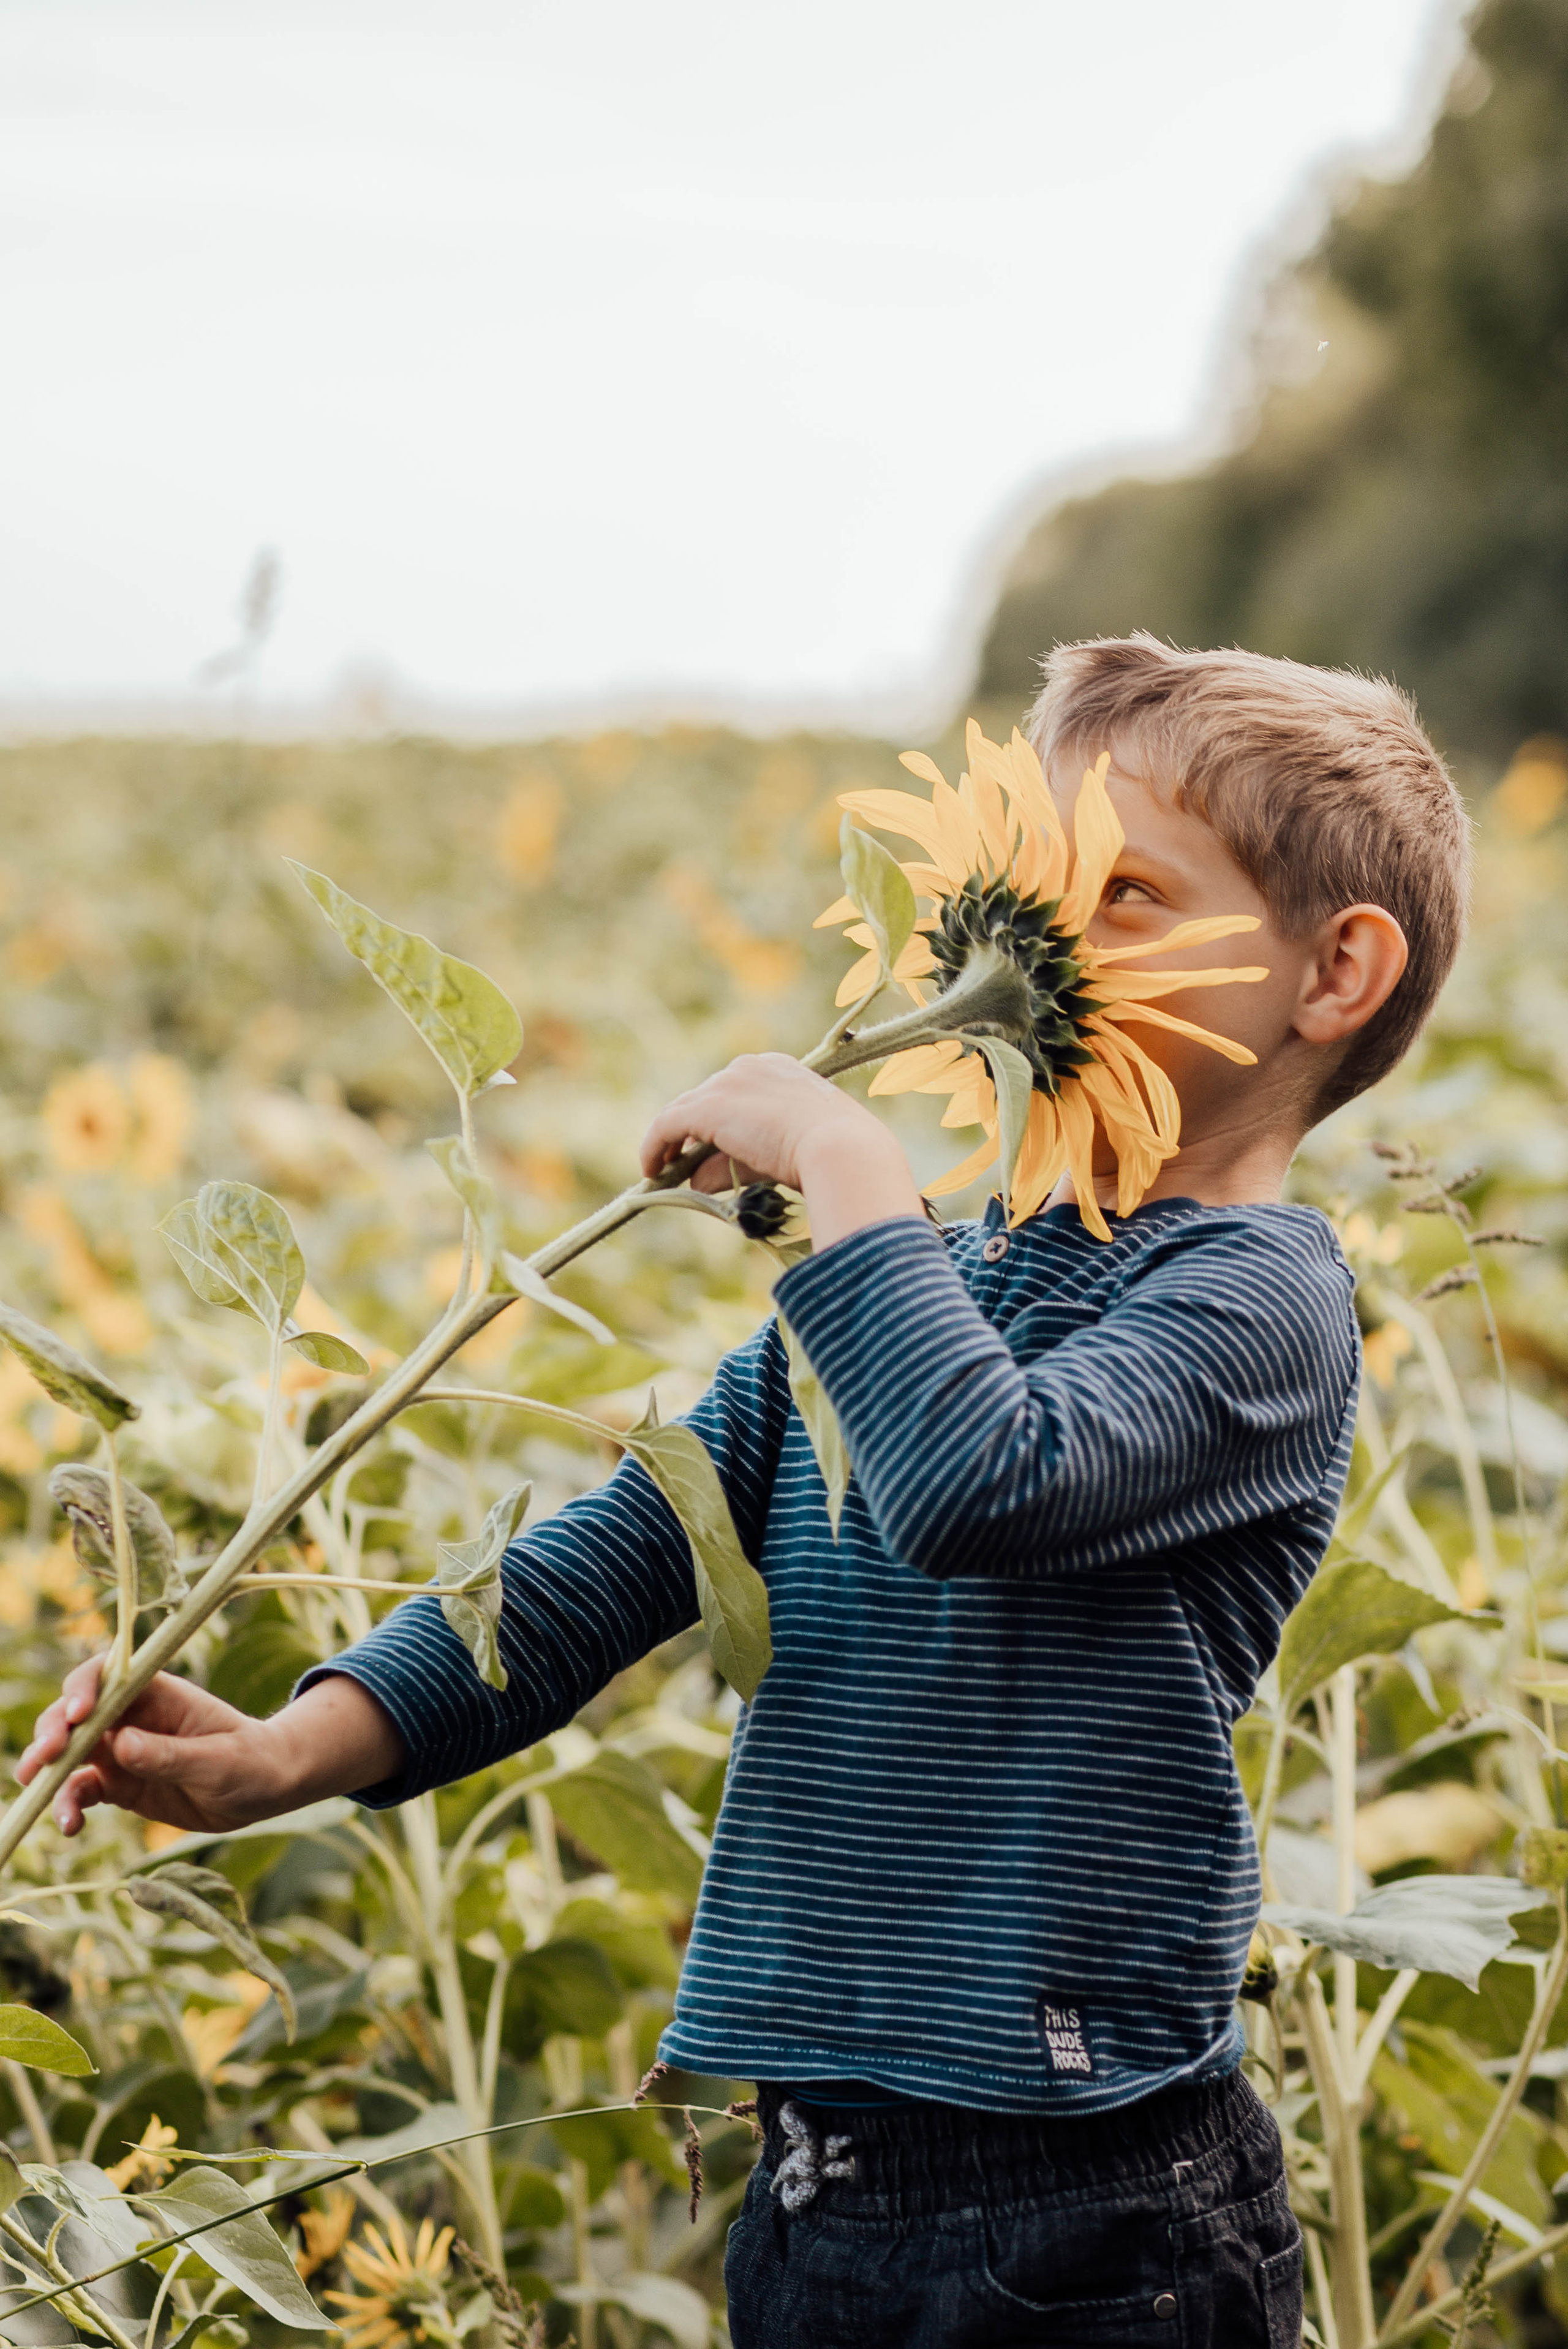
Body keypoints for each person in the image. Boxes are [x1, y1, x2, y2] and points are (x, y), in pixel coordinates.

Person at [23, 635, 1469, 2347]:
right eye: (1029, 882)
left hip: (1092, 2211)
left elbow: (979, 1476)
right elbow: (624, 1556)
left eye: (1129, 892)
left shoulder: (1261, 1301)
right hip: (819, 2186)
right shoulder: (935, 1278)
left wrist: (853, 1167)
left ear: (1334, 973)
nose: (1051, 935)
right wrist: (294, 1746)